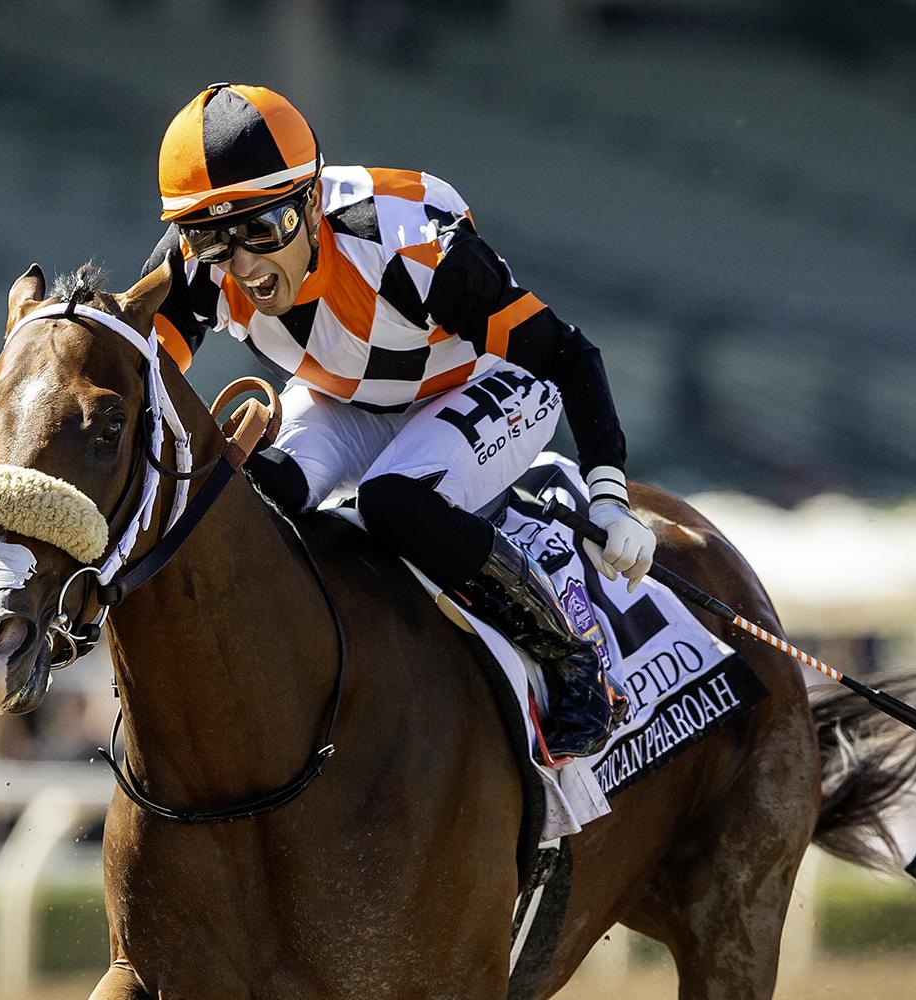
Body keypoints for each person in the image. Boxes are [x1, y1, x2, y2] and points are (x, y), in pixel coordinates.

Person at [142, 83, 653, 758]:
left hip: (488, 379)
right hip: (349, 396)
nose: (244, 266)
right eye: (213, 239)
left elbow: (568, 354)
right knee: (252, 497)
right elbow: (141, 395)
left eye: (265, 230)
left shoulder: (412, 246)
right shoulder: (189, 266)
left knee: (393, 502)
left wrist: (613, 495)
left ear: (313, 200)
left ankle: (570, 655)